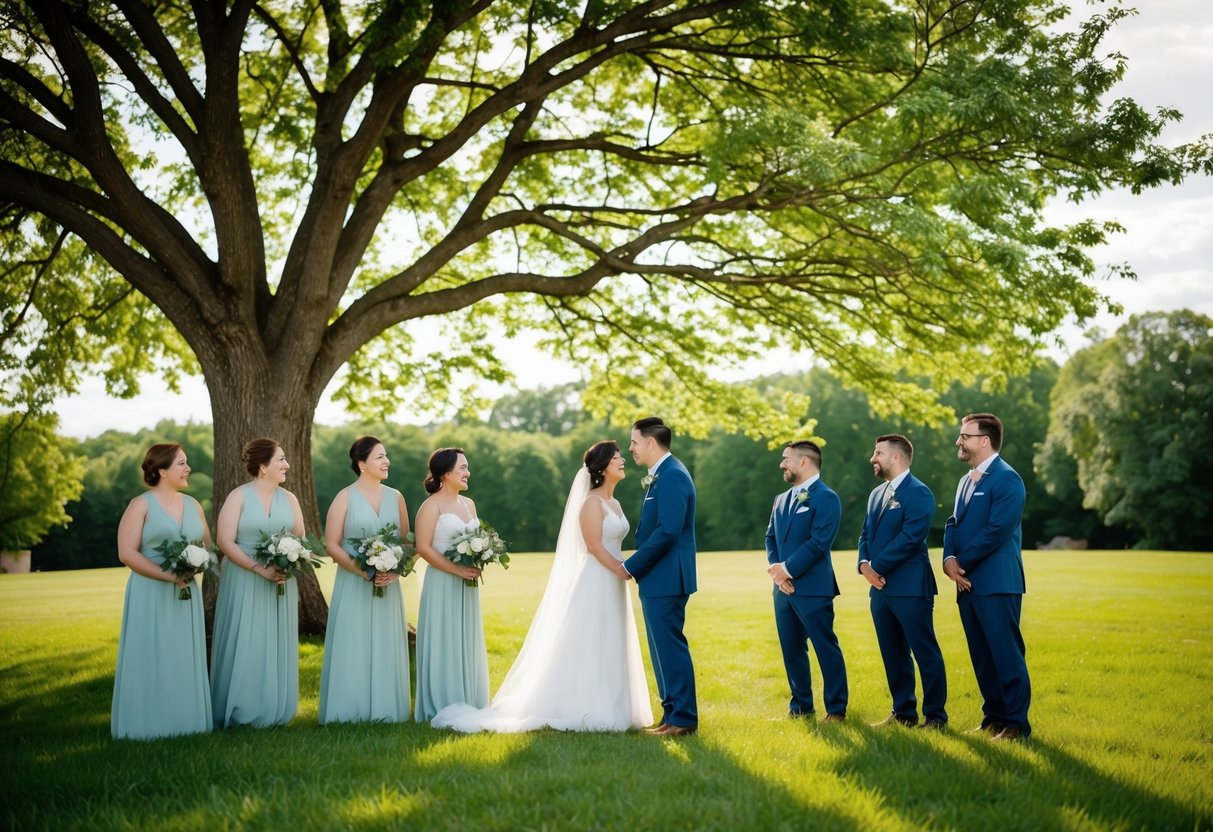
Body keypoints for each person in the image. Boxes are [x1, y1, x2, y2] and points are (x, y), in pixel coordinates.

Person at [431, 440, 653, 732]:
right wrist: (621, 568)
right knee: (590, 641)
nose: (622, 460)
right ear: (601, 467)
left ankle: (616, 703)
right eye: (616, 458)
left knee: (612, 638)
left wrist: (622, 569)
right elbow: (593, 546)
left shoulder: (615, 503)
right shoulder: (591, 503)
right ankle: (584, 704)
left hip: (614, 582)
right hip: (597, 580)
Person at [111, 443, 213, 739]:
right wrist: (167, 575)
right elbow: (127, 554)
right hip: (150, 592)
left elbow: (207, 546)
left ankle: (186, 722)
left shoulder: (193, 505)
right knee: (151, 654)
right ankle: (145, 725)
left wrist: (196, 565)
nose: (188, 468)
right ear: (161, 470)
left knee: (183, 655)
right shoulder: (140, 505)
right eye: (182, 463)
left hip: (185, 593)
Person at [942, 412, 1031, 741]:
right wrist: (948, 558)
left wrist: (959, 563)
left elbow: (997, 531)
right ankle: (993, 717)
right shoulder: (965, 480)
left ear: (984, 440)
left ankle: (1016, 724)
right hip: (967, 583)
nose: (959, 441)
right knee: (981, 654)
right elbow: (953, 523)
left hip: (997, 582)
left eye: (965, 436)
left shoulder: (1008, 479)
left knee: (1005, 653)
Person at [209, 437, 306, 728]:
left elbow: (300, 537)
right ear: (263, 467)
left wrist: (288, 560)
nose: (286, 464)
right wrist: (257, 568)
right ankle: (240, 709)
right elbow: (224, 541)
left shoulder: (289, 499)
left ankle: (274, 707)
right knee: (247, 639)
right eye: (281, 459)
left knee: (275, 638)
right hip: (244, 578)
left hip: (279, 579)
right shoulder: (238, 496)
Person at [318, 436, 411, 724]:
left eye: (386, 456)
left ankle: (387, 709)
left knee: (385, 642)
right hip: (353, 583)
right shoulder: (345, 497)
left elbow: (406, 541)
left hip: (388, 584)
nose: (386, 462)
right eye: (379, 457)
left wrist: (395, 571)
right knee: (353, 641)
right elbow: (331, 544)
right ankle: (348, 710)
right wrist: (361, 571)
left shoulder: (395, 497)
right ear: (361, 464)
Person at [858, 434, 948, 730]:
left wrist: (877, 567)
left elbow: (911, 538)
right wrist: (863, 565)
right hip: (880, 590)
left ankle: (935, 716)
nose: (873, 458)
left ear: (896, 457)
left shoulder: (919, 492)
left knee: (924, 651)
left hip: (910, 586)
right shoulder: (876, 494)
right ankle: (903, 712)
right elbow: (865, 535)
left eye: (878, 452)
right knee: (892, 652)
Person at [623, 416, 698, 737]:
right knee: (660, 649)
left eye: (634, 442)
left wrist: (631, 564)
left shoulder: (673, 477)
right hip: (658, 577)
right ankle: (671, 715)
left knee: (669, 647)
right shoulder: (661, 475)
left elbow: (668, 530)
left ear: (651, 443)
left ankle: (683, 719)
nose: (631, 449)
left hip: (668, 576)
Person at [765, 440, 848, 722]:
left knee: (825, 647)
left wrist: (786, 570)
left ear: (803, 462)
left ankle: (836, 709)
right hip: (783, 589)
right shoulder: (780, 499)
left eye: (785, 458)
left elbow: (819, 543)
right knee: (791, 648)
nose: (781, 464)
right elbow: (770, 537)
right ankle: (800, 706)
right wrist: (777, 571)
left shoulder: (826, 497)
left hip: (813, 587)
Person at [412, 447, 486, 722]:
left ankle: (469, 697)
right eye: (462, 468)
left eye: (467, 467)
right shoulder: (431, 506)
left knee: (465, 637)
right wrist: (456, 569)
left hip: (467, 584)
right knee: (445, 637)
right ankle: (442, 700)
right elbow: (423, 547)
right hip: (443, 582)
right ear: (445, 473)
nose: (468, 472)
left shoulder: (469, 505)